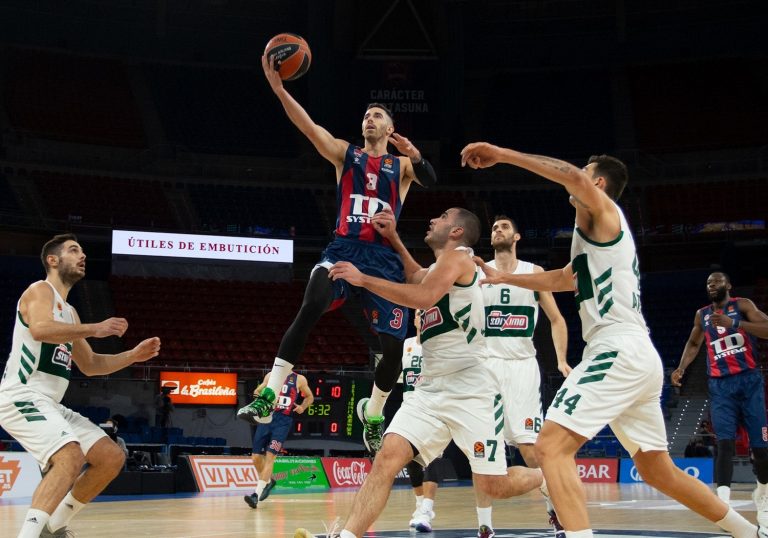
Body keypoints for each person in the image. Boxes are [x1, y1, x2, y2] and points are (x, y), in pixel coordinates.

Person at [459, 143, 763, 538]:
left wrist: (503, 154)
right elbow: (567, 279)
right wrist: (506, 278)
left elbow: (571, 176)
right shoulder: (593, 236)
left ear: (597, 182)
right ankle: (747, 532)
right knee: (658, 469)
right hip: (635, 353)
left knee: (550, 447)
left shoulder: (604, 213)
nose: (579, 177)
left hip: (617, 349)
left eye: (587, 172)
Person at [296, 207, 548, 538]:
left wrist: (364, 279)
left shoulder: (460, 259)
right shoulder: (438, 267)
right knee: (387, 458)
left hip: (472, 388)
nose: (432, 220)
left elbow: (423, 295)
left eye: (442, 217)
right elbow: (416, 276)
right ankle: (346, 536)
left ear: (457, 232)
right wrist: (394, 238)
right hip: (429, 390)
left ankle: (544, 476)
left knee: (493, 485)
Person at [238, 53, 438, 454]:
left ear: (391, 127)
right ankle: (269, 394)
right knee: (311, 302)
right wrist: (279, 89)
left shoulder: (401, 166)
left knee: (393, 351)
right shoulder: (346, 154)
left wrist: (415, 155)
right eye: (367, 114)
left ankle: (375, 414)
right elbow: (309, 127)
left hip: (383, 261)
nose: (370, 118)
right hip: (343, 248)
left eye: (378, 115)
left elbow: (432, 181)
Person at [0, 234, 161, 538]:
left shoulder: (70, 312)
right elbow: (40, 329)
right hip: (21, 396)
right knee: (70, 456)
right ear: (53, 260)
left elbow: (90, 365)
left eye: (83, 251)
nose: (82, 255)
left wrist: (132, 356)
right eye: (74, 250)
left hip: (51, 404)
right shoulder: (40, 290)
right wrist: (96, 328)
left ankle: (54, 527)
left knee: (111, 457)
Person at [474, 214, 570, 537]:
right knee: (484, 450)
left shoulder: (534, 273)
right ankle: (485, 526)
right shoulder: (476, 272)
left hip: (523, 368)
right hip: (487, 366)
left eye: (503, 227)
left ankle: (555, 512)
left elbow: (557, 319)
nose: (497, 230)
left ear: (516, 237)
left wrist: (561, 360)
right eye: (493, 228)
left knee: (531, 450)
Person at [671, 272, 768, 513]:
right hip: (720, 386)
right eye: (708, 283)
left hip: (749, 382)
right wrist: (681, 368)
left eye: (717, 281)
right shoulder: (702, 315)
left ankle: (763, 496)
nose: (712, 285)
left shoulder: (742, 305)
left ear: (729, 285)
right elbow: (694, 344)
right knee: (724, 444)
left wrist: (734, 323)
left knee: (761, 448)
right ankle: (723, 504)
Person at [243, 371, 313, 509]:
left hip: (283, 422)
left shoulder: (299, 379)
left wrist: (302, 407)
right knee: (255, 458)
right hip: (266, 418)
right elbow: (257, 390)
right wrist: (259, 398)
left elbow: (310, 396)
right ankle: (268, 482)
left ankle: (255, 495)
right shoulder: (271, 375)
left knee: (270, 457)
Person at [400, 309, 440, 533]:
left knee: (432, 458)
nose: (421, 317)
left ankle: (427, 509)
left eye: (425, 313)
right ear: (415, 319)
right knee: (412, 462)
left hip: (434, 407)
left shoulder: (439, 342)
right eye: (418, 314)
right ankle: (419, 505)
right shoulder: (405, 344)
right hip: (410, 407)